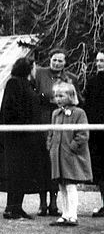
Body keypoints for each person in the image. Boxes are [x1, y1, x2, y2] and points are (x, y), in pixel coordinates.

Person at [0, 57, 50, 219]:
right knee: (16, 173)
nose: (35, 70)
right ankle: (11, 208)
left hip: (26, 139)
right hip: (17, 139)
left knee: (22, 173)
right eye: (34, 67)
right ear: (28, 68)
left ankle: (17, 207)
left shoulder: (26, 84)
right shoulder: (14, 83)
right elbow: (12, 110)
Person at [35, 47, 81, 216]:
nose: (56, 63)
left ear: (65, 62)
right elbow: (34, 96)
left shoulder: (70, 78)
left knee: (57, 161)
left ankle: (54, 203)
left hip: (62, 120)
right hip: (43, 120)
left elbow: (77, 99)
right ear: (50, 59)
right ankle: (42, 203)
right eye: (54, 59)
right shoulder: (39, 73)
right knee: (42, 163)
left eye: (60, 60)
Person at [47, 82, 92, 226]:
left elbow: (83, 134)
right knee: (62, 185)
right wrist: (50, 145)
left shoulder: (79, 113)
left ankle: (73, 215)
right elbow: (51, 132)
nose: (58, 99)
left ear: (71, 96)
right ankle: (65, 214)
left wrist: (73, 146)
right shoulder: (55, 113)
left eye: (61, 95)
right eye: (56, 96)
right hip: (58, 154)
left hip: (71, 155)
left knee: (71, 185)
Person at [82, 51, 104, 217]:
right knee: (100, 171)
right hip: (97, 134)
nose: (99, 64)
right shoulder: (92, 82)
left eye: (102, 61)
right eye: (97, 61)